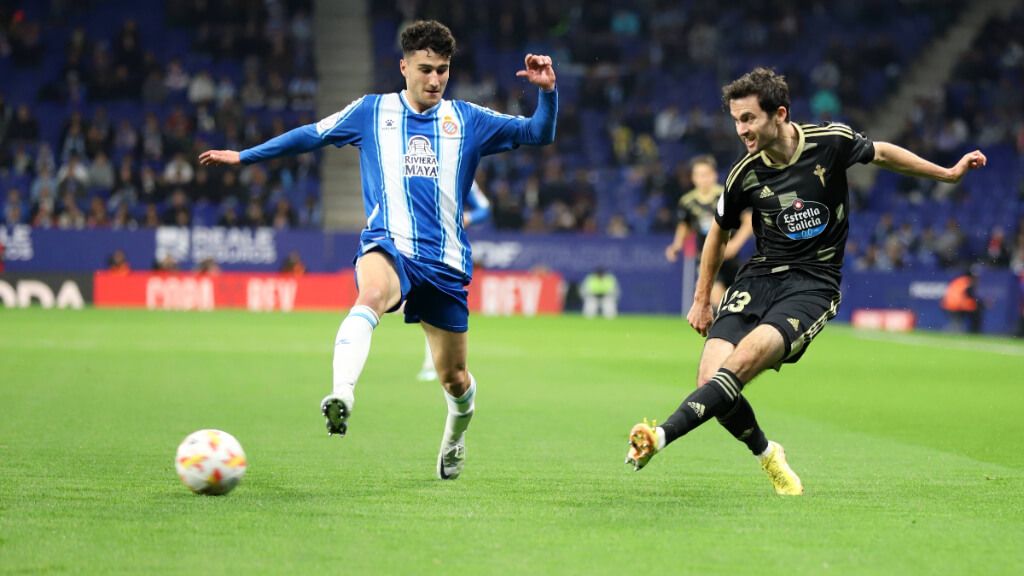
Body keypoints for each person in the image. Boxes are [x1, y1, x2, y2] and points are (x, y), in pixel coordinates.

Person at [199, 20, 557, 480]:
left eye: (443, 71)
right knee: (369, 295)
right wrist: (245, 156)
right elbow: (310, 134)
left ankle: (454, 439)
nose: (434, 80)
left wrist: (547, 91)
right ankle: (341, 394)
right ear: (404, 66)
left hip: (445, 265)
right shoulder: (371, 112)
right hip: (389, 245)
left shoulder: (468, 120)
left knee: (456, 379)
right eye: (425, 69)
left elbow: (539, 133)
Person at [626, 67, 986, 495]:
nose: (740, 130)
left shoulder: (830, 142)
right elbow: (717, 234)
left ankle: (659, 436)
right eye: (736, 120)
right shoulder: (744, 174)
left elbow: (884, 153)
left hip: (813, 284)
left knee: (738, 368)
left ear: (779, 114)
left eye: (748, 119)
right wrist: (701, 298)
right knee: (710, 382)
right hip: (759, 276)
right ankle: (767, 455)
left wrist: (947, 174)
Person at [417, 179, 490, 381]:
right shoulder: (420, 166)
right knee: (427, 304)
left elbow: (484, 210)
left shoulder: (458, 168)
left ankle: (440, 364)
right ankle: (435, 362)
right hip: (419, 243)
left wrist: (466, 217)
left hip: (449, 249)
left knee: (439, 304)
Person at [664, 155, 753, 307]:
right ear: (693, 178)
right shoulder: (687, 202)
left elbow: (749, 221)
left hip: (732, 257)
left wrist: (734, 245)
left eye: (706, 174)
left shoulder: (727, 196)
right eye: (698, 175)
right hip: (706, 257)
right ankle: (720, 326)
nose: (702, 179)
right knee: (716, 298)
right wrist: (677, 245)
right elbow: (685, 225)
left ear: (714, 175)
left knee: (738, 299)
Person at [941, 268, 982, 333]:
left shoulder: (960, 280)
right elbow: (969, 295)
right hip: (956, 305)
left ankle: (949, 332)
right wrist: (980, 303)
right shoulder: (968, 282)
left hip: (948, 304)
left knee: (956, 322)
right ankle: (949, 333)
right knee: (958, 323)